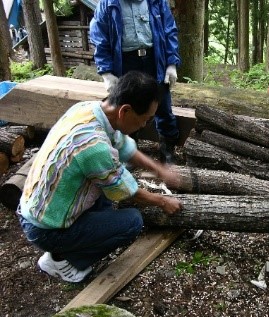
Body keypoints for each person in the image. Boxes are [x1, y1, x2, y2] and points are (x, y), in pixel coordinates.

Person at [17, 71, 184, 283]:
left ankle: (77, 239)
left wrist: (159, 170)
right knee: (132, 222)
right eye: (145, 120)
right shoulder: (94, 146)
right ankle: (62, 261)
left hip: (35, 208)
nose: (144, 125)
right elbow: (125, 189)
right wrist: (163, 201)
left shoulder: (88, 110)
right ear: (125, 111)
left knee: (109, 183)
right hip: (45, 228)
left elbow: (123, 146)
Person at [90, 0, 181, 164]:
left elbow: (169, 32)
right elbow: (99, 38)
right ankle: (129, 156)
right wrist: (106, 73)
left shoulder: (157, 2)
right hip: (125, 62)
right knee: (128, 109)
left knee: (163, 107)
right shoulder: (108, 4)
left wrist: (171, 63)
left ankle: (167, 153)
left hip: (154, 59)